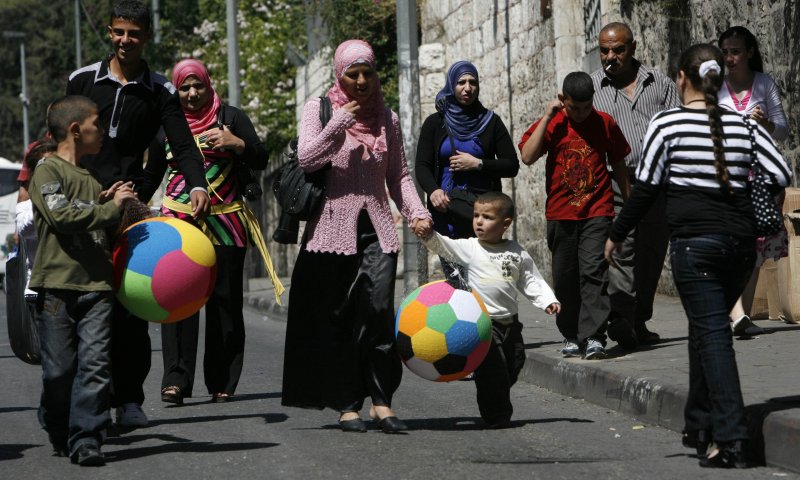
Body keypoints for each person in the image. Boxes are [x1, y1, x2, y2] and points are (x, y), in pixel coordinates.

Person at [604, 44, 790, 468]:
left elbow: (646, 186)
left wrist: (616, 233)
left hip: (695, 244)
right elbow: (781, 172)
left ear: (680, 80)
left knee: (713, 335)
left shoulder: (666, 123)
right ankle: (699, 423)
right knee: (704, 331)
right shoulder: (744, 125)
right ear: (719, 80)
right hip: (740, 245)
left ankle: (732, 438)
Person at [66, 0, 210, 428]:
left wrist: (197, 184)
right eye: (118, 32)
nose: (125, 40)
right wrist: (84, 192)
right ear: (109, 33)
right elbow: (61, 143)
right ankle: (89, 402)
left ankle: (129, 399)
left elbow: (180, 145)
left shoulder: (160, 90)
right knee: (87, 306)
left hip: (131, 214)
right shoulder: (81, 80)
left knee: (130, 309)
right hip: (84, 208)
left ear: (147, 37)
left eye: (134, 33)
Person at [281, 39, 432, 433]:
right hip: (330, 231)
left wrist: (417, 212)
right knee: (341, 319)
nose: (362, 81)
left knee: (378, 312)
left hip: (378, 229)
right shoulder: (320, 109)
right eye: (353, 74)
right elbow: (308, 158)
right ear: (340, 75)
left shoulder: (388, 118)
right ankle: (348, 404)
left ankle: (382, 401)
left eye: (368, 73)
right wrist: (339, 123)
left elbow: (398, 175)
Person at [140, 59, 271, 405]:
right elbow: (152, 175)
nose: (193, 93)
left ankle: (222, 381)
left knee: (225, 304)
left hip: (225, 224)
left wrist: (237, 143)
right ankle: (175, 380)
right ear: (176, 90)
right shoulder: (166, 124)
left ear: (209, 85)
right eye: (184, 87)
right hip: (178, 228)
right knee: (177, 301)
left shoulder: (231, 118)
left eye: (198, 85)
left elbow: (260, 158)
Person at [29, 95, 137, 465]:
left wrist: (114, 205)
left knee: (95, 366)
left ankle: (87, 437)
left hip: (96, 288)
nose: (103, 132)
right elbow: (61, 215)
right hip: (57, 288)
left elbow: (95, 221)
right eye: (96, 124)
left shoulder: (91, 179)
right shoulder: (48, 170)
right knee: (59, 371)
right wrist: (108, 208)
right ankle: (57, 422)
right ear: (76, 130)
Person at [418, 191, 559, 428]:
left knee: (515, 362)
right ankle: (497, 415)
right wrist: (428, 235)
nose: (479, 222)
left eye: (487, 217)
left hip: (510, 323)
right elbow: (446, 247)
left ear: (505, 224)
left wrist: (547, 300)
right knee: (493, 370)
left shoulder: (516, 251)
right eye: (476, 216)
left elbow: (530, 278)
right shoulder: (471, 248)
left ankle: (495, 390)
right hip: (483, 325)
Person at [519, 71, 631, 360]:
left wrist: (628, 205)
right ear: (562, 101)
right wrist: (546, 117)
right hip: (560, 214)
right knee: (565, 277)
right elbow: (528, 156)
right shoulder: (555, 123)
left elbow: (618, 162)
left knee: (594, 272)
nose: (580, 114)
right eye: (574, 108)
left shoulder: (604, 123)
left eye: (586, 107)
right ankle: (571, 334)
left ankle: (594, 336)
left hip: (597, 210)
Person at [590, 22, 680, 350]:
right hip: (616, 181)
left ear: (633, 47)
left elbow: (676, 130)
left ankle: (639, 321)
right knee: (622, 249)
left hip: (657, 182)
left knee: (652, 252)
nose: (610, 57)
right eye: (604, 50)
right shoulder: (593, 89)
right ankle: (622, 319)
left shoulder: (660, 84)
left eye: (618, 49)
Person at [415, 60, 519, 286]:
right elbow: (421, 165)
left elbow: (512, 165)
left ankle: (490, 320)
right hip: (446, 211)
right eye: (461, 82)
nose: (467, 87)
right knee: (457, 280)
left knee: (483, 279)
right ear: (452, 85)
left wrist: (479, 164)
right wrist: (433, 191)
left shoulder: (491, 122)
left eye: (473, 82)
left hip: (482, 213)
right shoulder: (436, 123)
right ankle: (465, 320)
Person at [717, 26, 791, 335]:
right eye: (726, 52)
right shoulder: (716, 88)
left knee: (756, 247)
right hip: (727, 176)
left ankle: (740, 316)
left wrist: (766, 123)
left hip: (759, 177)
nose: (730, 58)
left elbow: (783, 130)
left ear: (749, 53)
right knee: (730, 241)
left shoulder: (764, 85)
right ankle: (736, 315)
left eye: (736, 51)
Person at [16, 138, 57, 298]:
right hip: (40, 290)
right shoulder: (26, 206)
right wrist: (46, 199)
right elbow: (26, 229)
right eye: (46, 167)